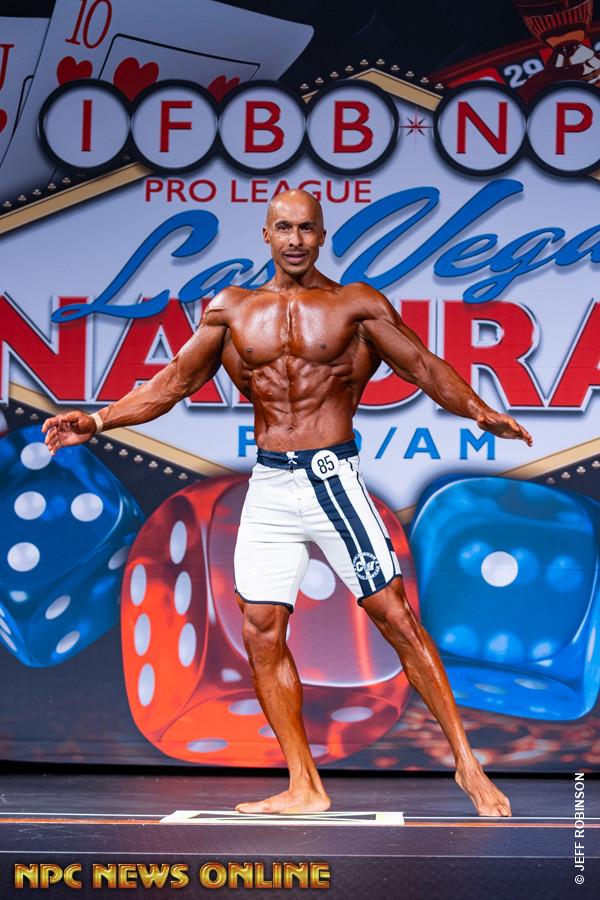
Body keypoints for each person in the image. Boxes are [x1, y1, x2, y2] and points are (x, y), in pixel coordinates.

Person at [43, 189, 532, 818]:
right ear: (266, 235)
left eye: (306, 228)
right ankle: (305, 784)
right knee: (260, 630)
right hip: (270, 487)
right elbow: (173, 382)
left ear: (322, 235)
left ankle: (467, 765)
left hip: (333, 481)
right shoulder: (232, 310)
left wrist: (480, 410)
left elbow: (424, 367)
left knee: (395, 617)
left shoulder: (356, 305)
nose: (295, 239)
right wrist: (98, 419)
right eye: (284, 228)